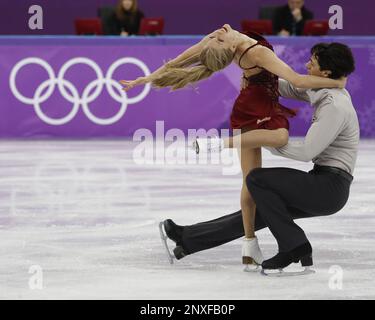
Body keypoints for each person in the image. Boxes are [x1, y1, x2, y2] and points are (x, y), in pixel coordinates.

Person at [120, 24, 345, 270]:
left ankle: (248, 245)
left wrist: (146, 78)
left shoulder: (223, 40)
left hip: (259, 101)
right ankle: (218, 145)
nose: (218, 32)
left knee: (251, 183)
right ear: (229, 50)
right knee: (277, 141)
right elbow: (298, 79)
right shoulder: (256, 53)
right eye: (218, 38)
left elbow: (178, 60)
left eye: (217, 37)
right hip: (255, 106)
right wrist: (338, 82)